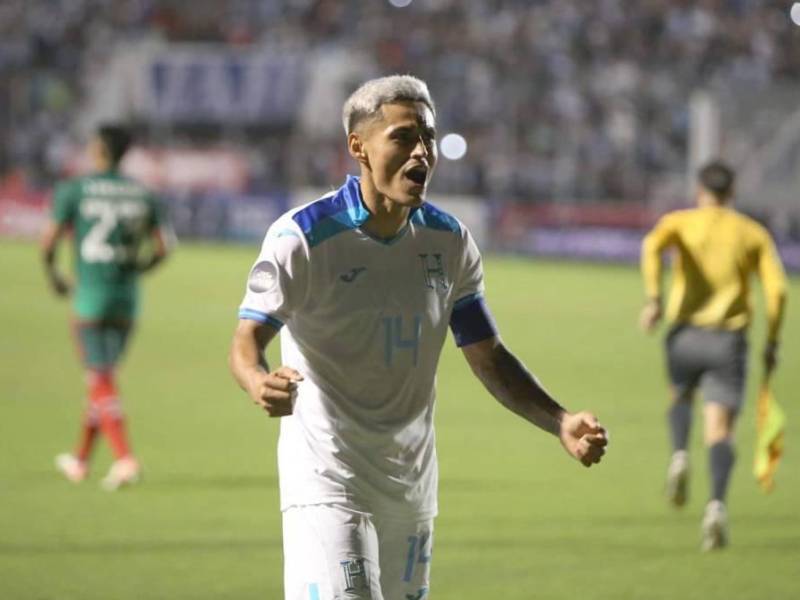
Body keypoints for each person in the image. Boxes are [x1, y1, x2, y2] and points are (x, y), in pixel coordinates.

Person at [229, 75, 608, 600]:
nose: (421, 153)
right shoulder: (303, 237)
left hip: (410, 485)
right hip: (326, 479)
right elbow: (247, 338)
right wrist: (256, 381)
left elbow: (487, 355)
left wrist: (560, 420)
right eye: (403, 138)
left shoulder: (448, 241)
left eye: (427, 138)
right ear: (358, 146)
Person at [639, 160, 787, 551]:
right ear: (732, 192)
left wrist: (654, 297)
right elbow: (778, 292)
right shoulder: (752, 233)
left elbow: (651, 246)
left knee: (680, 395)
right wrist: (772, 341)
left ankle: (679, 453)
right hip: (728, 341)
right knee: (719, 429)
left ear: (700, 190)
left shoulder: (680, 222)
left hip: (684, 334)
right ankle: (717, 505)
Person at [41, 124, 173, 491]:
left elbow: (48, 242)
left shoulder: (74, 190)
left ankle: (124, 459)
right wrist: (138, 270)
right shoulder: (143, 194)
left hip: (90, 300)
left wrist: (54, 276)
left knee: (100, 380)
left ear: (98, 149)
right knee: (103, 381)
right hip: (126, 300)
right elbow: (164, 248)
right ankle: (80, 460)